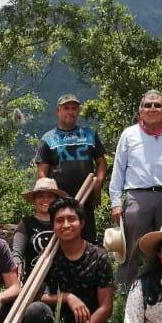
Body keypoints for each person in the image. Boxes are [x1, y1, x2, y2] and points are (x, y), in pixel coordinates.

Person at [23, 198, 115, 323]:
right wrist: (67, 297)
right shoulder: (47, 258)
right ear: (53, 225)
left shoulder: (99, 257)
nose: (65, 225)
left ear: (81, 223)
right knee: (34, 311)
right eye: (59, 220)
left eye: (71, 219)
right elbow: (36, 296)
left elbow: (106, 308)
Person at [108, 90, 162, 290]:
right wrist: (116, 202)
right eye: (148, 105)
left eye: (157, 105)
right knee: (131, 250)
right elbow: (118, 170)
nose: (152, 108)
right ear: (140, 111)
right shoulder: (129, 134)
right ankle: (124, 297)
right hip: (138, 197)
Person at [36, 93, 107, 240]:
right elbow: (42, 172)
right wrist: (49, 195)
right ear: (58, 111)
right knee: (61, 237)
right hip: (59, 200)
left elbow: (101, 163)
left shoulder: (90, 134)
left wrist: (97, 185)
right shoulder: (47, 139)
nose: (70, 112)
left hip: (86, 198)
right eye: (66, 108)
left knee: (87, 238)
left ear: (78, 111)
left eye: (74, 108)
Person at [13, 178, 65, 278]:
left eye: (50, 196)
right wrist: (16, 264)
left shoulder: (63, 222)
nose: (45, 199)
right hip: (34, 282)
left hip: (62, 281)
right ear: (35, 199)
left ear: (56, 199)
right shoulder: (26, 223)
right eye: (40, 196)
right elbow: (17, 252)